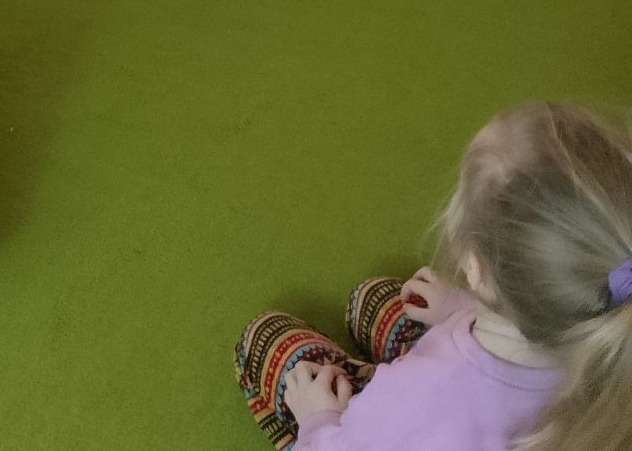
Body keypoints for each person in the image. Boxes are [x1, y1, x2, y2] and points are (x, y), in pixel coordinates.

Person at [235, 100, 632, 450]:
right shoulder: (613, 353)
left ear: (476, 268)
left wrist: (318, 420)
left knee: (269, 343)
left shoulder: (420, 400)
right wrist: (461, 308)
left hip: (412, 419)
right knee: (375, 298)